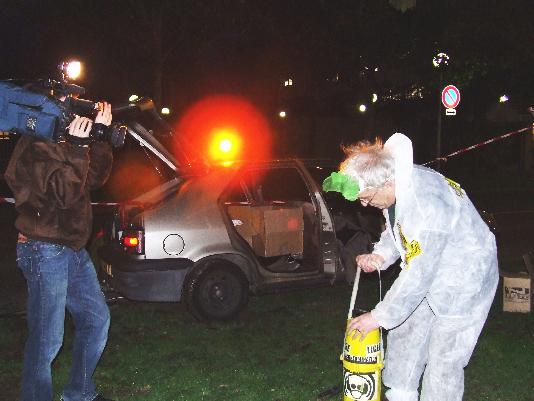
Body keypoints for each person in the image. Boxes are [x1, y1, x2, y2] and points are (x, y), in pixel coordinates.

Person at [330, 133, 498, 401]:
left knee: (444, 358)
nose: (364, 204)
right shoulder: (398, 188)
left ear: (387, 182)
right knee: (405, 334)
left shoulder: (426, 204)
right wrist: (381, 255)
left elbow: (418, 274)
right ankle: (401, 395)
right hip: (432, 264)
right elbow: (399, 231)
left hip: (465, 278)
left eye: (366, 197)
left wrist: (378, 316)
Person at [5, 103, 116, 401]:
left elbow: (93, 180)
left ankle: (79, 393)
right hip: (43, 249)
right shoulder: (34, 145)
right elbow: (64, 194)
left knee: (96, 320)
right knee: (47, 339)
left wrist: (101, 141)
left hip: (72, 248)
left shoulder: (65, 141)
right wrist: (78, 148)